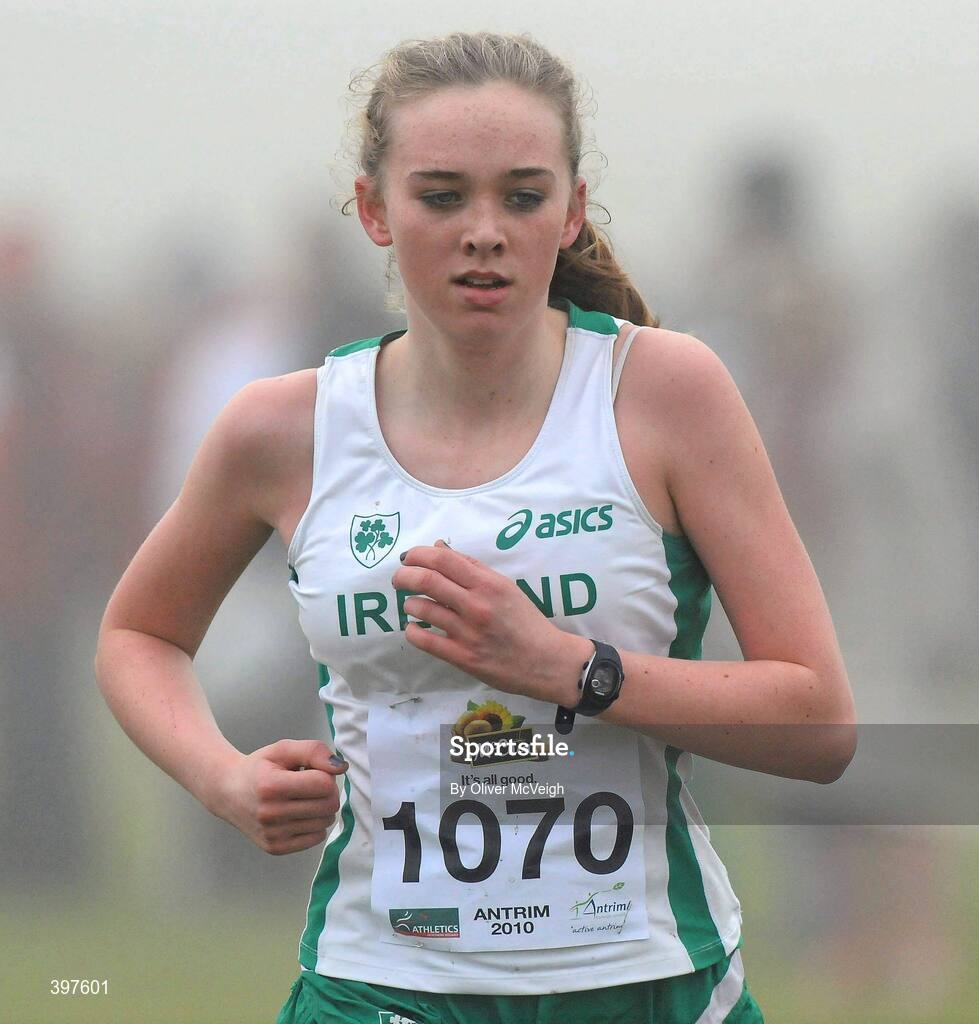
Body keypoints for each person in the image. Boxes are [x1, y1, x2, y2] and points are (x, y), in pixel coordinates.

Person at [94, 30, 857, 1024]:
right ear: (374, 209)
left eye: (523, 196)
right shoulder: (284, 430)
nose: (484, 230)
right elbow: (138, 635)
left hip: (641, 982)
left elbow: (819, 725)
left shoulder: (665, 393)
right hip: (377, 987)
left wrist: (570, 665)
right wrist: (221, 775)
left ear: (573, 208)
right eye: (442, 196)